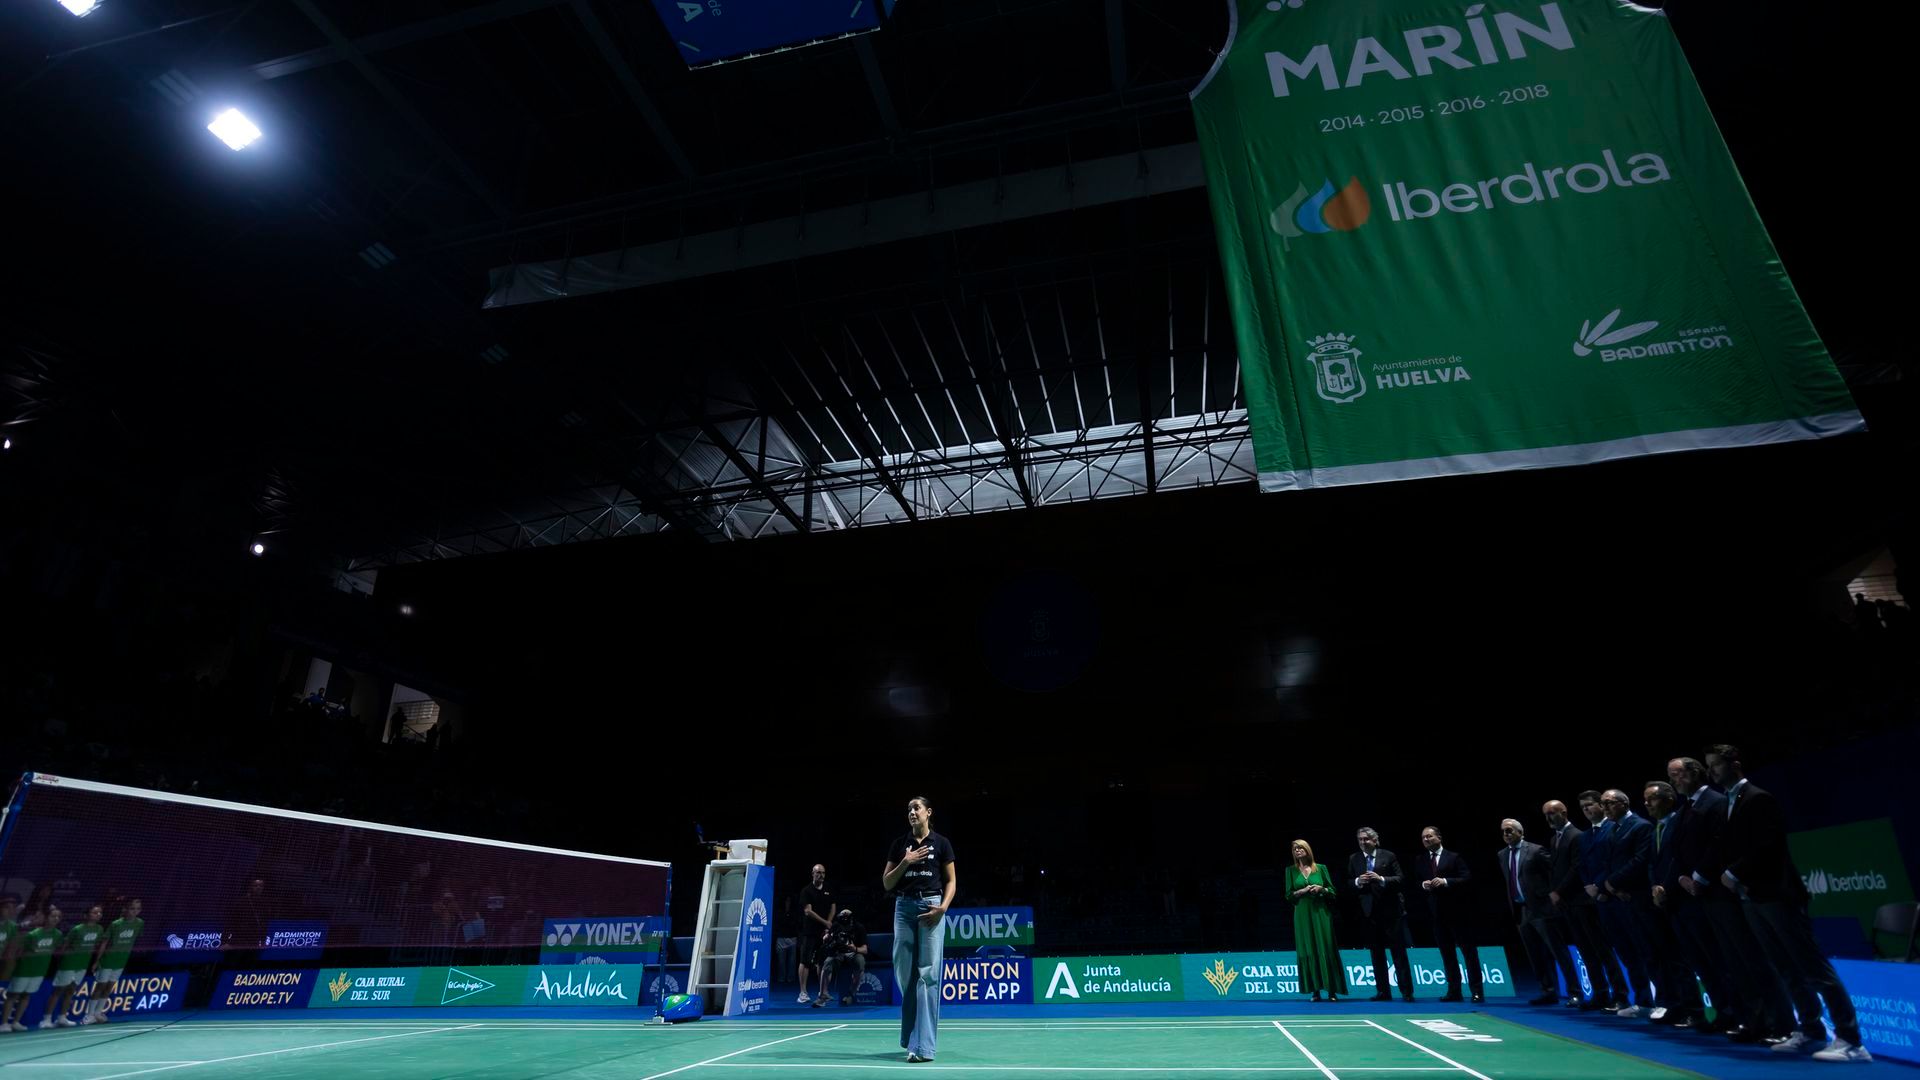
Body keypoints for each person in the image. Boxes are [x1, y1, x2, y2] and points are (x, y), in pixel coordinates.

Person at [1709, 744, 1871, 1063]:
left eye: (1715, 764)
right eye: (1709, 765)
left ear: (1735, 765)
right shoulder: (1728, 803)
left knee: (1813, 968)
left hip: (1777, 895)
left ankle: (1851, 1040)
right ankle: (1810, 1031)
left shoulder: (1758, 798)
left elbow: (1768, 846)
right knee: (1784, 967)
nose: (1712, 771)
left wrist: (1734, 871)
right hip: (1751, 895)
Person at [884, 796, 955, 1065]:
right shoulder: (900, 845)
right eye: (909, 809)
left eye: (917, 808)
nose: (912, 812)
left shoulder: (942, 843)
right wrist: (907, 861)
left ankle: (922, 1047)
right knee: (905, 974)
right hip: (903, 908)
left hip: (932, 908)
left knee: (928, 977)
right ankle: (913, 1037)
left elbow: (951, 881)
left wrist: (943, 908)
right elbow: (888, 883)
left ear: (928, 813)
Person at [1542, 799, 1618, 1011]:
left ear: (1564, 812)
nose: (1549, 817)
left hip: (1582, 901)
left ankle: (1617, 993)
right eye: (1546, 814)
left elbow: (1576, 868)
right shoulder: (1554, 838)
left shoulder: (1576, 835)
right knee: (1585, 951)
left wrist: (1559, 891)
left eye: (1553, 813)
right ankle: (1600, 993)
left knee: (1600, 949)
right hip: (1569, 904)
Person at [1596, 789, 1657, 1017]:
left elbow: (1640, 860)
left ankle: (1663, 1001)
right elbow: (1605, 862)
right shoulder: (1611, 829)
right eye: (1603, 804)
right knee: (1627, 953)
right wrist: (1607, 886)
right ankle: (1642, 1001)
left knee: (1647, 951)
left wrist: (1613, 882)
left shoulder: (1640, 826)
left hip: (1635, 896)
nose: (1605, 808)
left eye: (1609, 803)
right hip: (1615, 900)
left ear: (1624, 803)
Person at [1497, 819, 1564, 1006]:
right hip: (1520, 910)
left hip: (1541, 908)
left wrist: (1552, 895)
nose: (1506, 834)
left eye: (1509, 830)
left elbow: (1554, 873)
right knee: (1535, 954)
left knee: (1557, 951)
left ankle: (1574, 991)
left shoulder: (1536, 850)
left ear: (1520, 832)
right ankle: (1547, 991)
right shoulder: (1502, 854)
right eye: (1503, 832)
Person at [1416, 826, 1482, 1003]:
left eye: (1429, 836)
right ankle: (1454, 991)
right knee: (1447, 955)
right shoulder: (1421, 860)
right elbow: (1415, 882)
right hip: (1437, 915)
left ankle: (1477, 991)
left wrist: (1446, 881)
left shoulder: (1454, 857)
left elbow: (1467, 878)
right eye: (1423, 838)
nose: (1426, 840)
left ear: (1439, 837)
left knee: (1468, 952)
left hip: (1458, 913)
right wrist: (1424, 885)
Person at [1347, 827, 1414, 1002]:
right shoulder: (1354, 859)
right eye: (1360, 839)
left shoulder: (1388, 856)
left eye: (1366, 839)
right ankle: (1383, 992)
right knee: (1376, 955)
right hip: (1369, 914)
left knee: (1398, 953)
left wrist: (1381, 879)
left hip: (1391, 913)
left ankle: (1406, 992)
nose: (1363, 842)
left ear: (1375, 840)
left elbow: (1400, 879)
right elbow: (1348, 882)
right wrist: (1357, 881)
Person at [1287, 839, 1345, 1002]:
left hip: (1321, 913)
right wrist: (1302, 891)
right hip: (1302, 915)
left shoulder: (1321, 868)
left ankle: (1332, 990)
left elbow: (1332, 892)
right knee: (1308, 949)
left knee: (1325, 947)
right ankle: (1315, 991)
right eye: (1295, 849)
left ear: (1307, 849)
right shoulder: (1290, 871)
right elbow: (1288, 896)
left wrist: (1322, 889)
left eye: (1300, 848)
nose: (1297, 851)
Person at [85, 898, 143, 1025]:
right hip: (107, 960)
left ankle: (98, 1013)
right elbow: (104, 943)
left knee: (109, 987)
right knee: (100, 987)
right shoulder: (116, 924)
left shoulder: (139, 923)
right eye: (132, 908)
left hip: (121, 961)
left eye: (138, 909)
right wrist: (97, 961)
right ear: (126, 909)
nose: (135, 911)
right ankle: (88, 1015)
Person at [3, 906, 62, 1032]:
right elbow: (19, 952)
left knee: (26, 996)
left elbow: (56, 950)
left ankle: (16, 1022)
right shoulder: (33, 934)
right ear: (46, 917)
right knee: (13, 995)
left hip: (39, 971)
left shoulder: (58, 935)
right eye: (53, 916)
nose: (56, 919)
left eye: (58, 917)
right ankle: (4, 1023)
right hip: (24, 970)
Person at [47, 904, 106, 1028]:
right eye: (95, 912)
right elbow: (64, 947)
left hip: (82, 965)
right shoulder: (77, 929)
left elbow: (95, 946)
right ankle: (47, 1019)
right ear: (86, 915)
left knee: (71, 991)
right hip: (68, 964)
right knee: (58, 991)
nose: (98, 915)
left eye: (100, 913)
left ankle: (62, 1017)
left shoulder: (100, 929)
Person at [796, 865, 836, 1005]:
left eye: (823, 873)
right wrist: (826, 922)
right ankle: (803, 992)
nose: (821, 875)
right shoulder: (806, 891)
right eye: (818, 872)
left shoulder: (829, 889)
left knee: (823, 963)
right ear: (812, 873)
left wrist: (829, 924)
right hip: (809, 932)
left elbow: (833, 907)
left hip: (824, 933)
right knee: (805, 961)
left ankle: (823, 992)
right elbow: (808, 911)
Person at [815, 908, 870, 1007]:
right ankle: (822, 997)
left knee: (860, 962)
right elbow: (828, 939)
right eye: (842, 916)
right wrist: (826, 938)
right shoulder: (836, 925)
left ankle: (851, 994)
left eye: (846, 917)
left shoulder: (859, 927)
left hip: (853, 952)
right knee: (827, 963)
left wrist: (855, 949)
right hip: (838, 953)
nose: (844, 919)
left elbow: (865, 950)